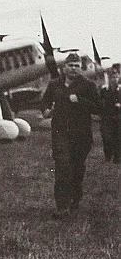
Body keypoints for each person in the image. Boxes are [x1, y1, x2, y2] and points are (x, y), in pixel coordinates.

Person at [41, 52, 101, 218]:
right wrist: (45, 110)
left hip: (81, 134)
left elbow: (99, 107)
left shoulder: (88, 85)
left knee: (76, 168)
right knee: (62, 166)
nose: (73, 69)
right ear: (64, 67)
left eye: (77, 66)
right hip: (60, 132)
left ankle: (75, 198)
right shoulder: (55, 84)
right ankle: (62, 207)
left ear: (80, 68)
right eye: (70, 66)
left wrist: (80, 101)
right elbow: (45, 100)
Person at [99, 64, 120, 164]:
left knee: (118, 137)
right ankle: (108, 155)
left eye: (116, 76)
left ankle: (117, 157)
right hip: (106, 117)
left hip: (118, 117)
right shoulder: (104, 90)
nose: (114, 79)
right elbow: (99, 102)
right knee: (106, 137)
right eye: (112, 76)